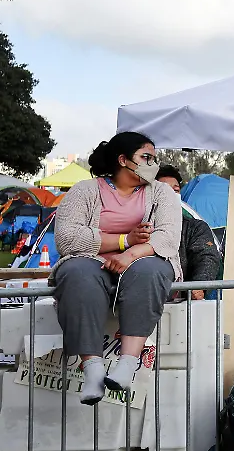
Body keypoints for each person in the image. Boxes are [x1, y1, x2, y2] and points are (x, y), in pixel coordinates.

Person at [51, 132, 182, 405]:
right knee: (76, 274)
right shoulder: (84, 191)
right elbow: (66, 238)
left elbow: (167, 237)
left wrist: (130, 253)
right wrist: (124, 240)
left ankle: (127, 364)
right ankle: (93, 370)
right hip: (92, 261)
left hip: (143, 260)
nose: (153, 164)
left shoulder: (162, 192)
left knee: (150, 271)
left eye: (154, 159)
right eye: (146, 157)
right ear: (123, 160)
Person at [156, 165, 222, 300]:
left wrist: (200, 284)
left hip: (181, 304)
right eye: (165, 190)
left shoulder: (195, 227)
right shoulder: (141, 226)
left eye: (176, 190)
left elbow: (207, 256)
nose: (172, 194)